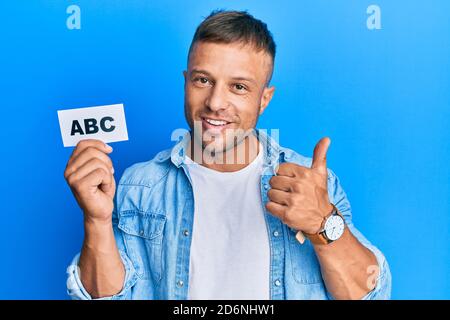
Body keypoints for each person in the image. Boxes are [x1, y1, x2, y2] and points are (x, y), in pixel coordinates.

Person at [65, 10, 391, 300]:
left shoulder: (310, 182)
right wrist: (96, 220)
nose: (215, 102)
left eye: (238, 87)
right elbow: (108, 297)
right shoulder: (141, 185)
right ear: (186, 82)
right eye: (203, 80)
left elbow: (368, 293)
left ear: (264, 99)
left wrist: (323, 224)